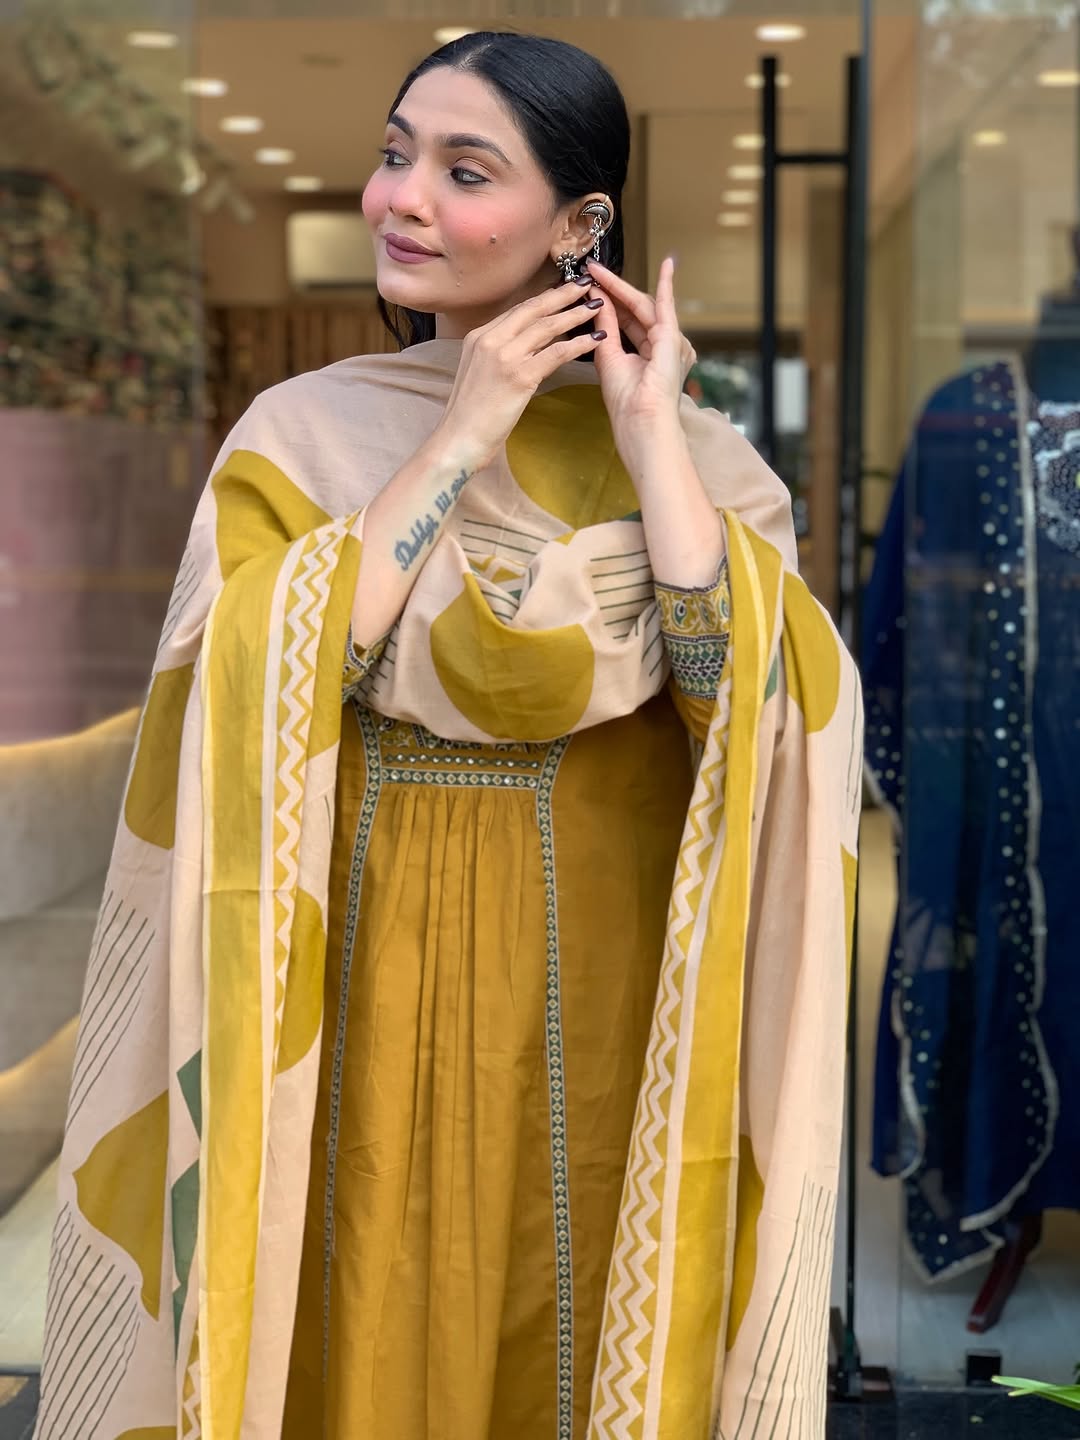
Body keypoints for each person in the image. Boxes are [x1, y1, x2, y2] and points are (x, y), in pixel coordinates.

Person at [33, 32, 863, 1440]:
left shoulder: (696, 460)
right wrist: (460, 433)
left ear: (581, 222)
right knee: (350, 1277)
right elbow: (258, 676)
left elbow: (746, 704)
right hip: (340, 960)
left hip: (608, 979)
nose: (401, 198)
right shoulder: (301, 433)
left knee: (581, 1290)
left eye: (465, 170)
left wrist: (655, 438)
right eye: (394, 153)